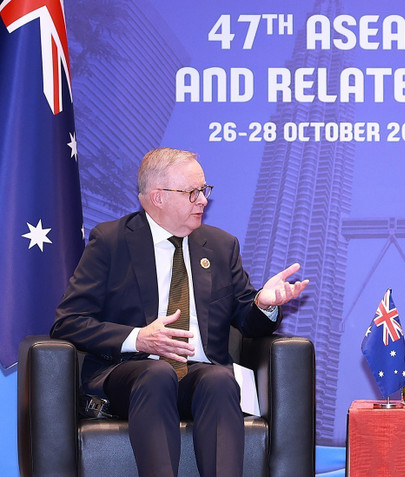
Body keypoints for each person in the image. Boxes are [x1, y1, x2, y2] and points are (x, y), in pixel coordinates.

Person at [51, 147, 309, 477]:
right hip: (129, 375)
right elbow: (68, 322)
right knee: (156, 373)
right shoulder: (112, 241)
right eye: (193, 192)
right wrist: (139, 339)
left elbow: (246, 321)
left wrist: (264, 303)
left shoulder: (220, 246)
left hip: (197, 376)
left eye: (204, 190)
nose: (203, 200)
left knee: (219, 379)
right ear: (158, 197)